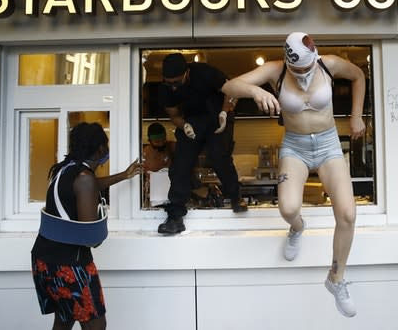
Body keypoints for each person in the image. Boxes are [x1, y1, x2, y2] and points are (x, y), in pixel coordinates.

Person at [222, 32, 366, 317]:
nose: (301, 75)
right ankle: (298, 227)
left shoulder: (329, 64)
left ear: (315, 58)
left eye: (306, 69)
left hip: (328, 144)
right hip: (295, 146)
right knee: (288, 209)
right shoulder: (275, 69)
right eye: (296, 70)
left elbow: (359, 75)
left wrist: (356, 114)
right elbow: (229, 86)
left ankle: (336, 278)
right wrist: (256, 91)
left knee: (348, 214)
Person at [31, 122, 142, 330]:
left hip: (44, 261)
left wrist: (124, 175)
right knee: (96, 324)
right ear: (100, 148)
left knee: (64, 318)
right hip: (70, 265)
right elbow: (91, 238)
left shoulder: (64, 170)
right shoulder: (84, 178)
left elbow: (89, 185)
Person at [157, 53, 247, 235]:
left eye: (176, 83)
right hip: (192, 120)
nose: (173, 88)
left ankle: (236, 196)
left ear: (186, 73)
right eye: (169, 83)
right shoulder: (166, 89)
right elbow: (174, 115)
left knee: (218, 155)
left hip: (218, 115)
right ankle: (175, 215)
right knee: (181, 162)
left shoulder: (205, 73)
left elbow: (231, 92)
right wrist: (185, 126)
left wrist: (224, 112)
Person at [142, 122, 175, 207]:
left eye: (163, 140)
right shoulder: (144, 153)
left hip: (173, 195)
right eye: (157, 141)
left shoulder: (172, 147)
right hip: (153, 197)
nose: (161, 143)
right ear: (149, 140)